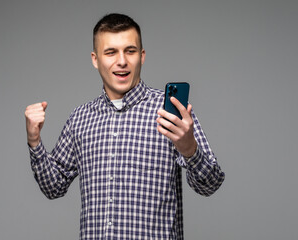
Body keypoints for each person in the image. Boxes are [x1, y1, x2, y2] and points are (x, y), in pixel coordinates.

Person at [25, 13, 225, 240]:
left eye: (130, 51)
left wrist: (190, 149)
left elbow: (211, 185)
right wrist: (34, 141)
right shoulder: (79, 119)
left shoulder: (172, 113)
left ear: (142, 56)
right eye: (110, 52)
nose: (121, 61)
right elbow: (54, 187)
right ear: (95, 59)